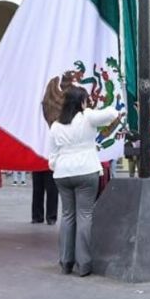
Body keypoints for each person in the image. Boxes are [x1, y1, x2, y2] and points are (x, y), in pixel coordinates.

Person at [47, 87, 121, 276]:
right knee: (84, 215)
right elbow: (113, 113)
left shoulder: (56, 125)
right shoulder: (87, 117)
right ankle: (84, 262)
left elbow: (52, 153)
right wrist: (88, 110)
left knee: (67, 215)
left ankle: (65, 261)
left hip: (63, 172)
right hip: (86, 169)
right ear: (82, 102)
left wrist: (58, 165)